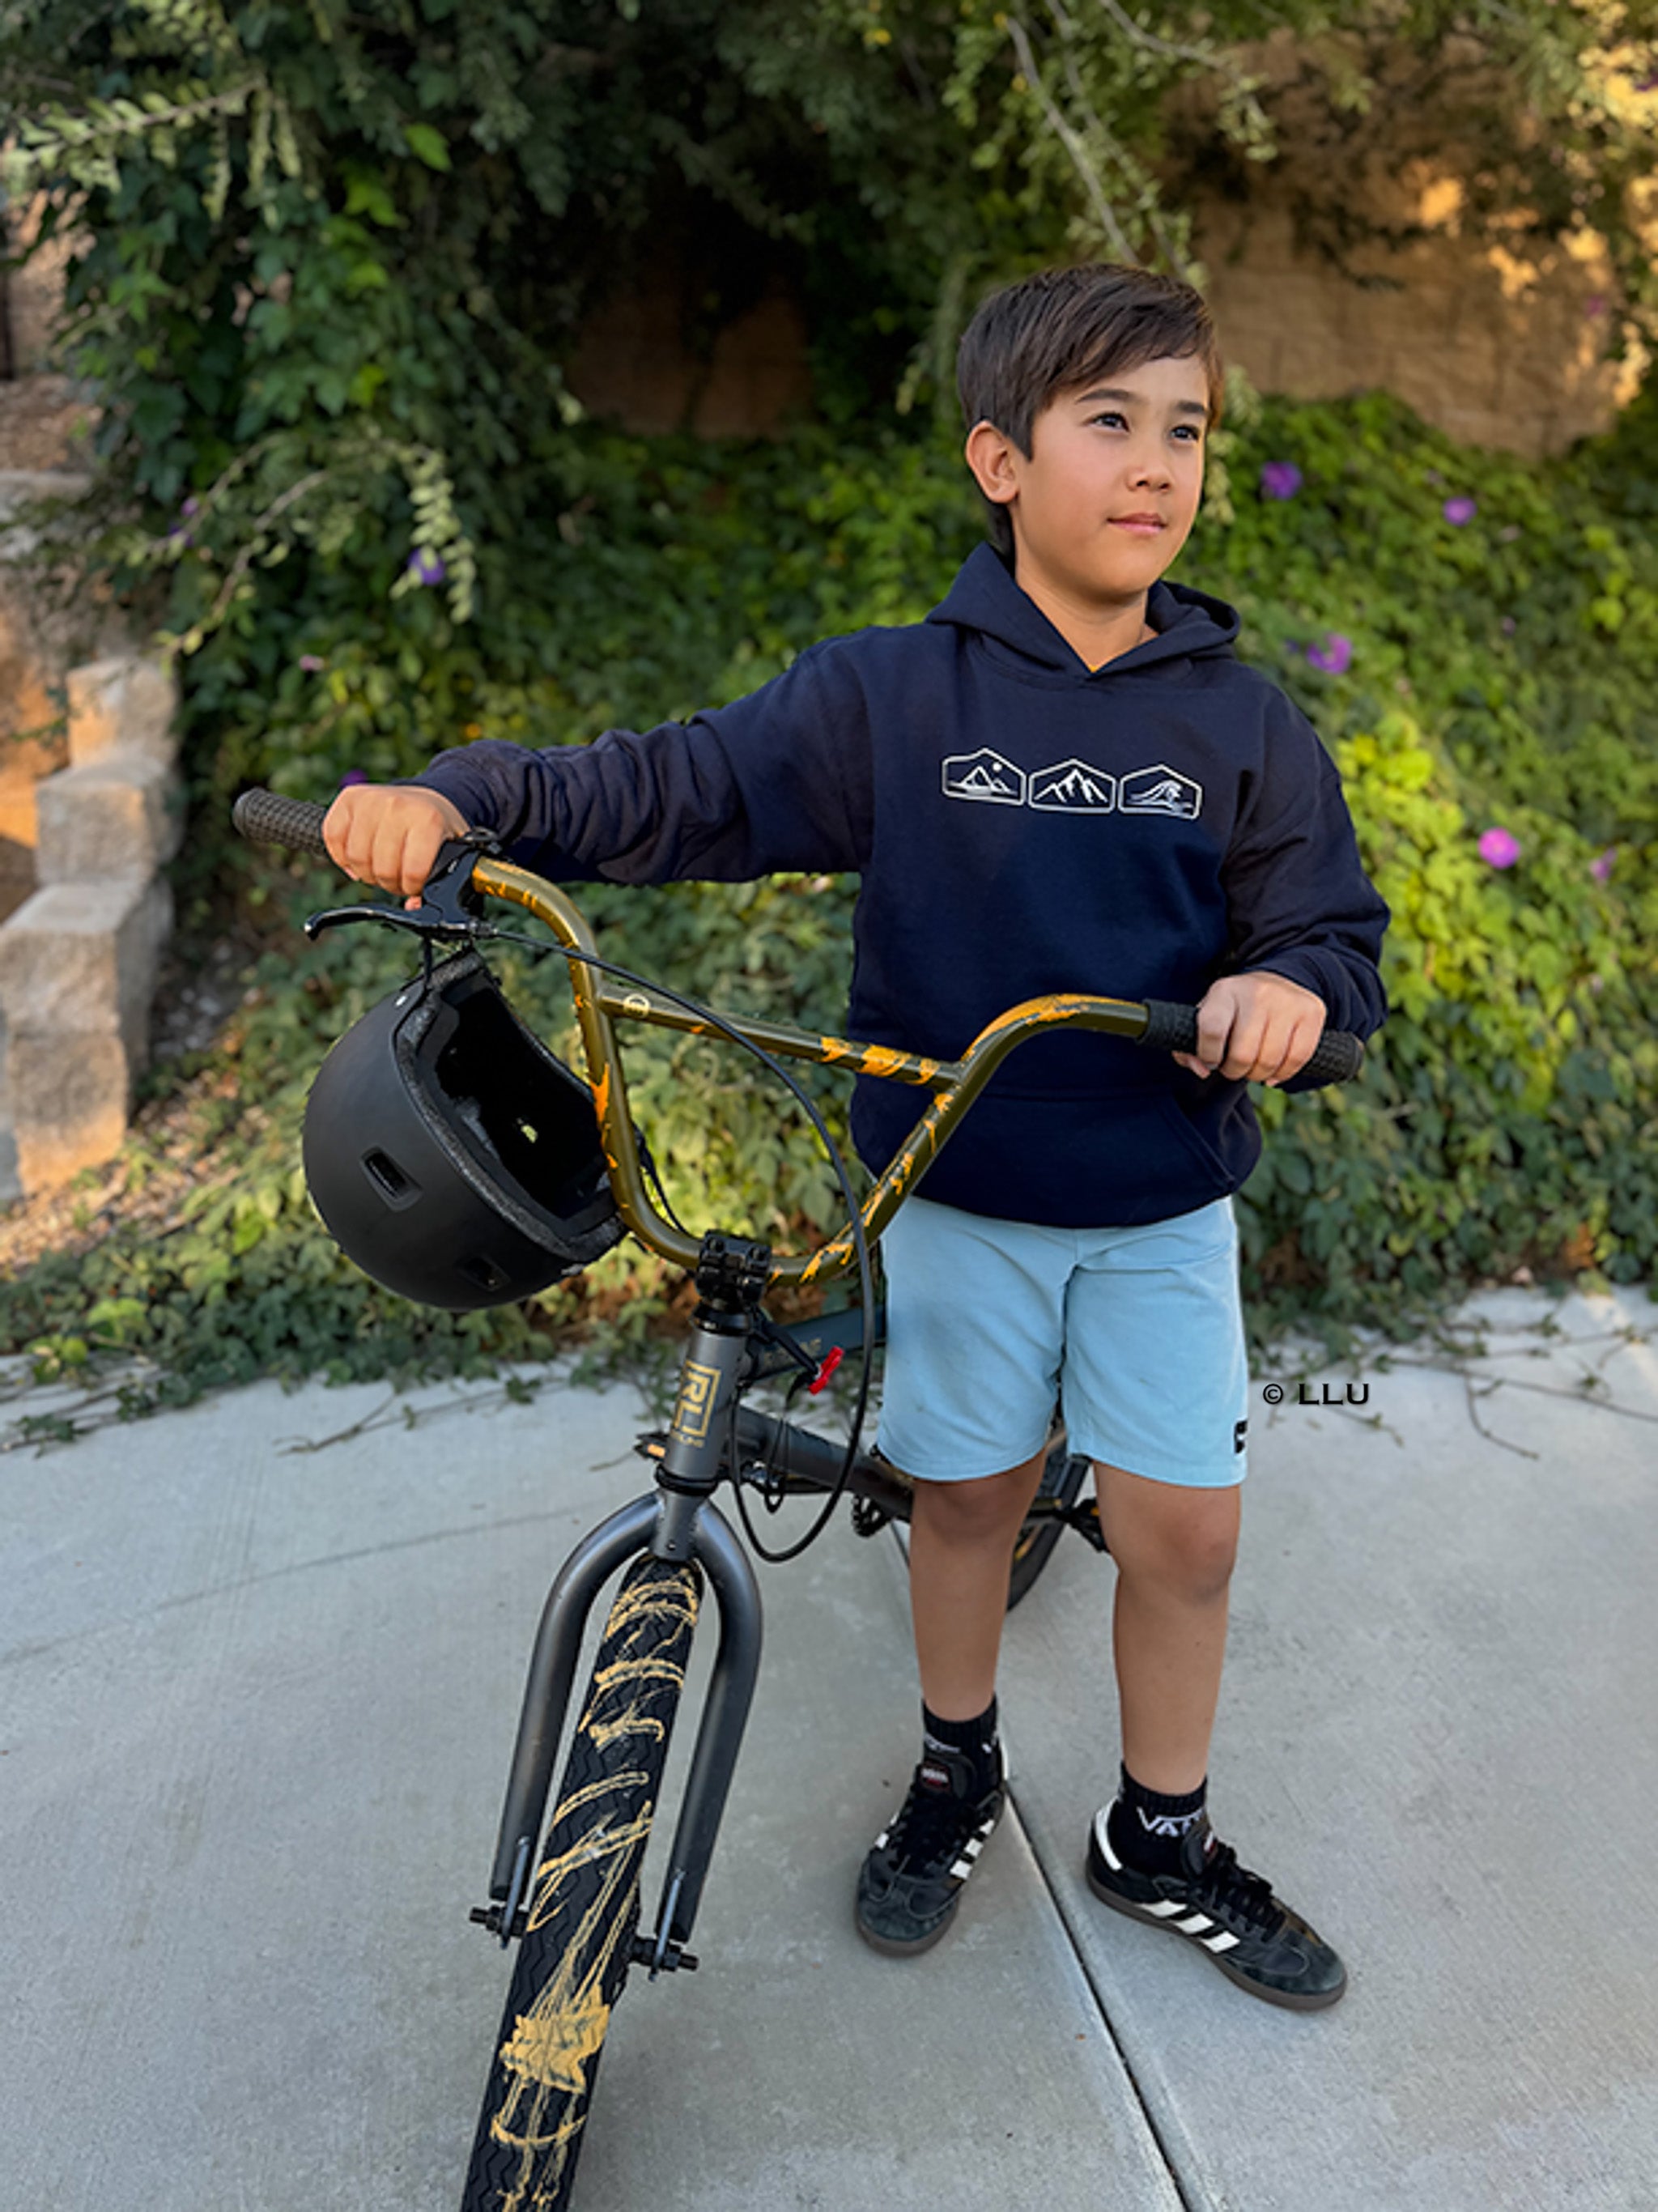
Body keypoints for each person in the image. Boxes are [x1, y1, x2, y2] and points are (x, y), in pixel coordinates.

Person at [324, 261, 1388, 2011]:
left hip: (1154, 1205)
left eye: (1184, 429)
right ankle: (956, 1763)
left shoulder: (1239, 725)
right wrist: (467, 798)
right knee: (960, 1499)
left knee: (1186, 1534)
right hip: (950, 1193)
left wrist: (1293, 993)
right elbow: (669, 786)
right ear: (997, 458)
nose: (1154, 464)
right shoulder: (899, 699)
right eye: (1106, 422)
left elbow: (1327, 938)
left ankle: (1159, 1832)